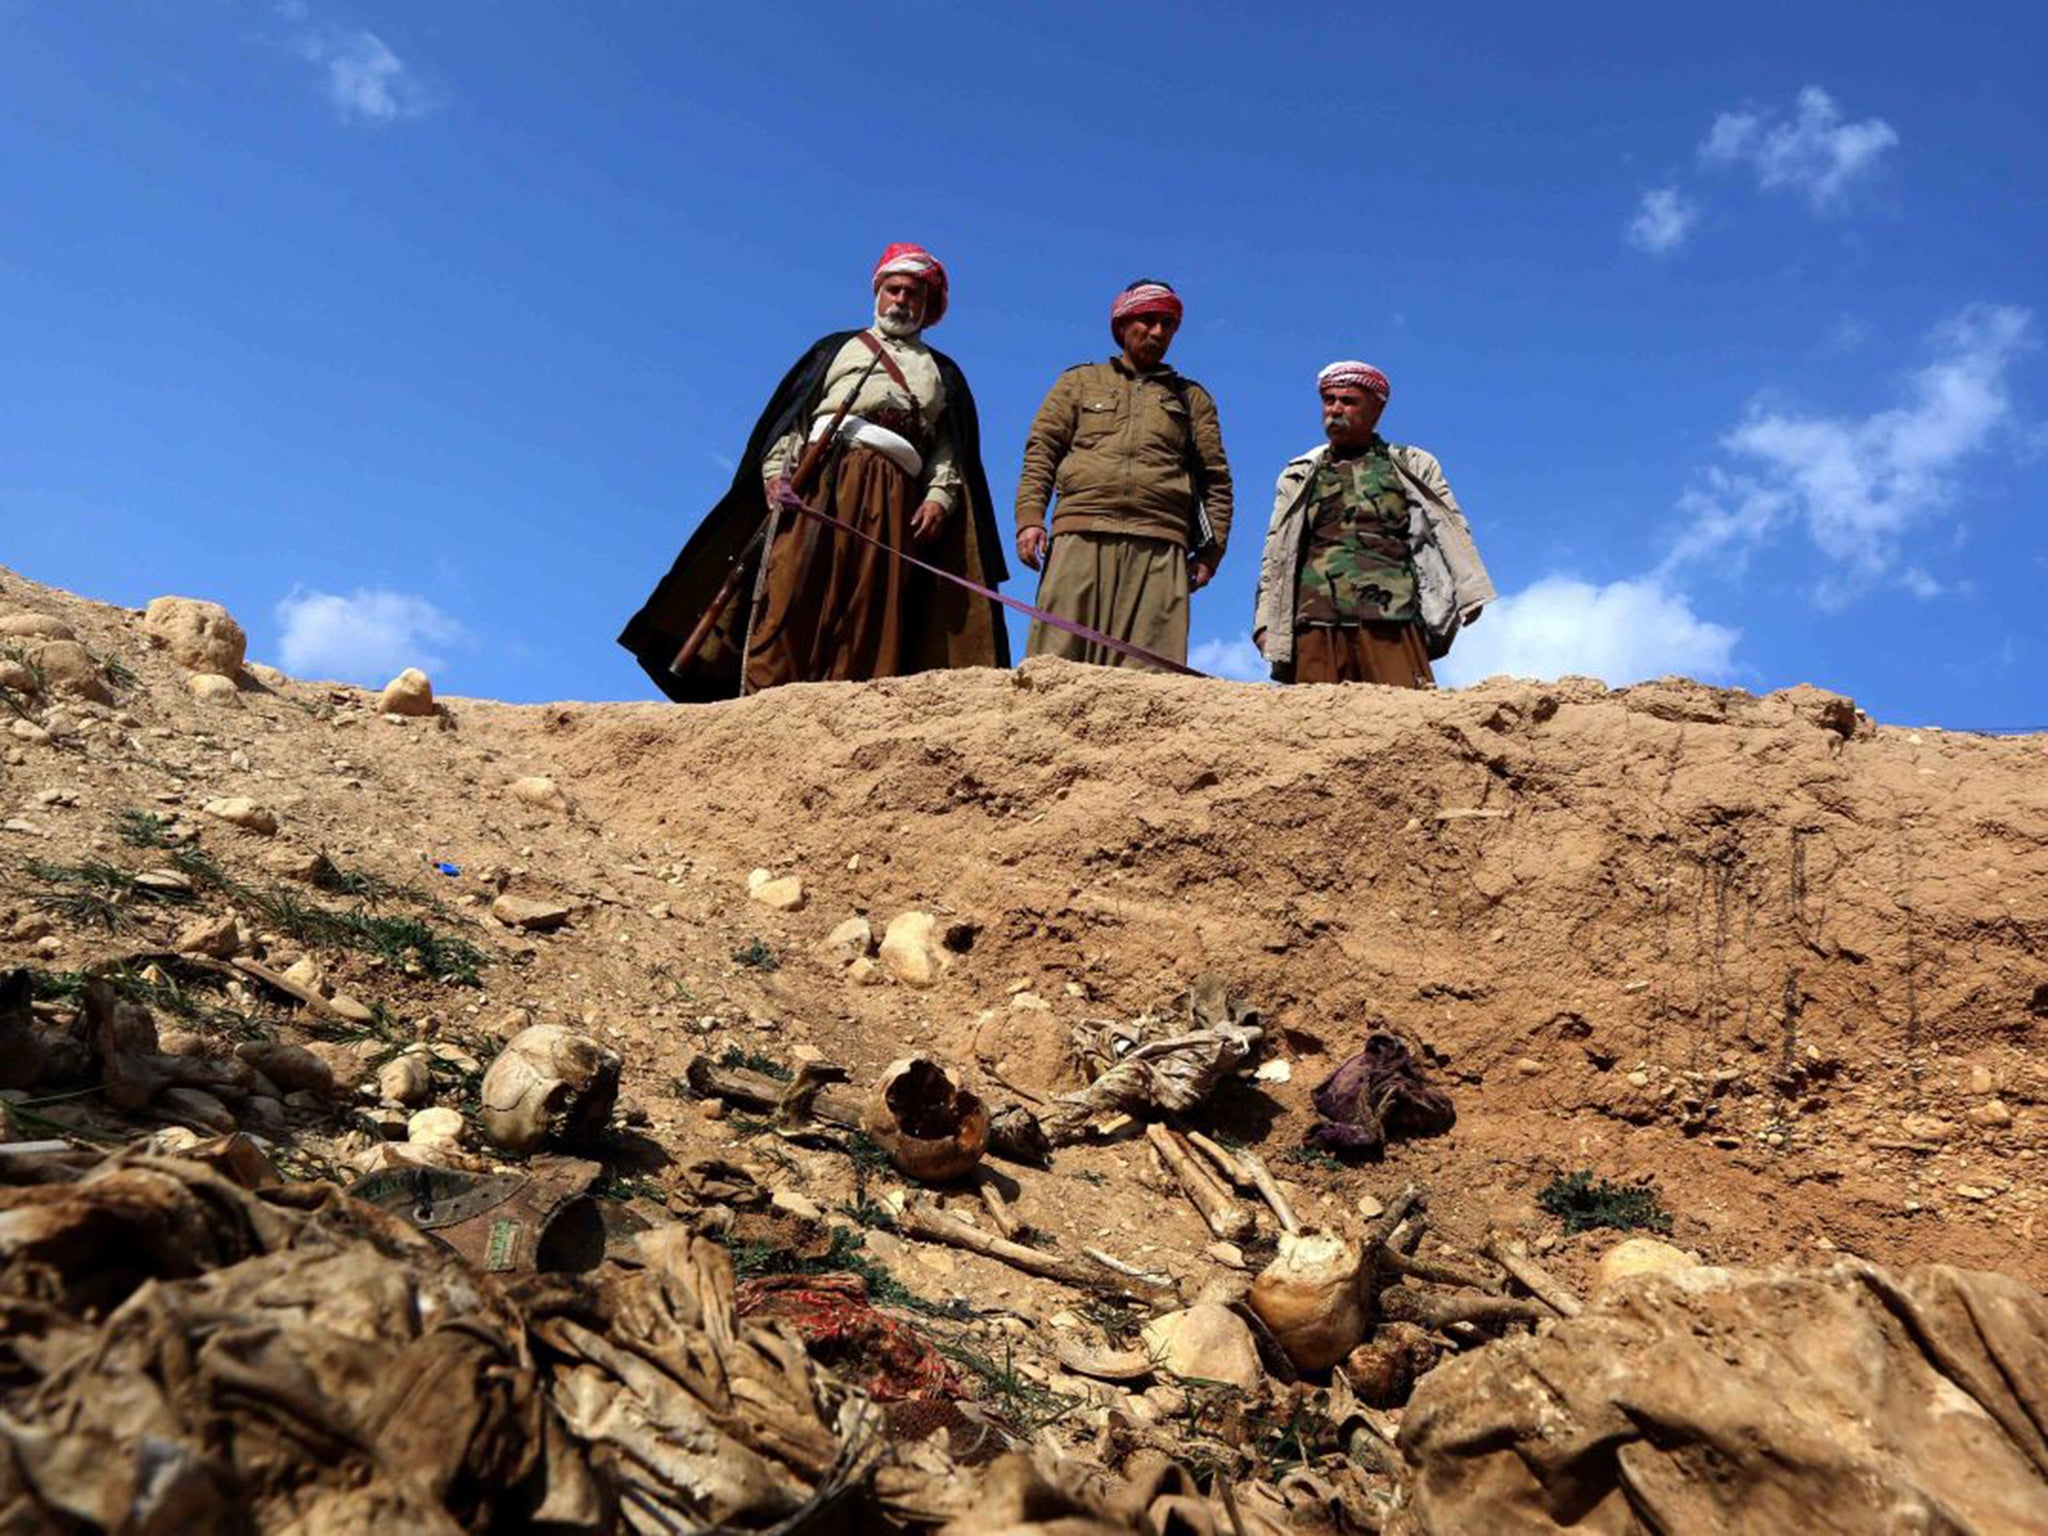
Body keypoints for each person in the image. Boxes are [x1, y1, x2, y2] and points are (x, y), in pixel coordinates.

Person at [618, 244, 1010, 701]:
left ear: (928, 305)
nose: (901, 300)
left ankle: (850, 698)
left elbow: (949, 450)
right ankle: (766, 697)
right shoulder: (838, 348)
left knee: (871, 601)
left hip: (893, 495)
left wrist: (938, 497)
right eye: (893, 290)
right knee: (790, 582)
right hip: (820, 478)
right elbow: (793, 420)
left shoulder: (942, 373)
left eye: (912, 294)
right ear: (878, 293)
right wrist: (775, 475)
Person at [1012, 279, 1233, 669]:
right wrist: (1029, 520)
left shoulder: (1192, 398)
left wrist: (1211, 553)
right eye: (1148, 320)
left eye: (1168, 324)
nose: (1159, 331)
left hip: (1161, 544)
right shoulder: (1078, 382)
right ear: (1121, 325)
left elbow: (1215, 478)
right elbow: (1041, 452)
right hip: (1079, 534)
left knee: (1151, 677)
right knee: (1056, 664)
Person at [1252, 361, 1493, 687]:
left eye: (1348, 401)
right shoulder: (1299, 473)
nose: (1335, 409)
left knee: (1403, 720)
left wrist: (1470, 591)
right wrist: (1265, 621)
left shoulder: (1412, 465)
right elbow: (1275, 552)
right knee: (1318, 723)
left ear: (1376, 410)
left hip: (1391, 618)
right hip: (1315, 622)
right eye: (1329, 400)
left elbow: (1449, 525)